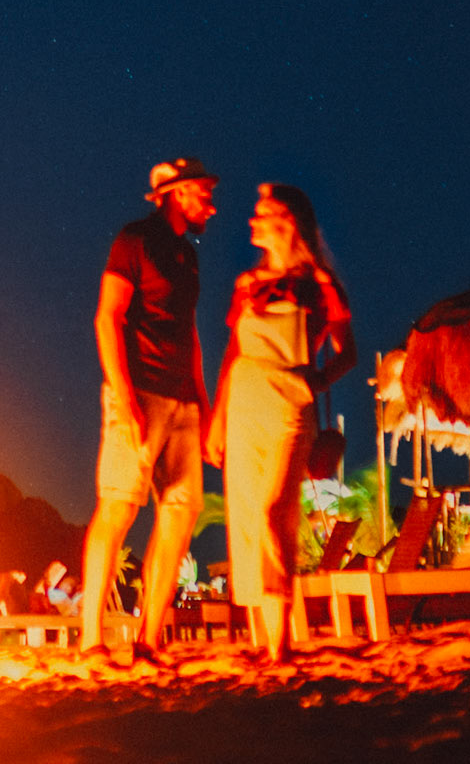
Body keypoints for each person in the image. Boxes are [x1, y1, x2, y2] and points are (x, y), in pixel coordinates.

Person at [204, 182, 356, 662]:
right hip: (245, 398)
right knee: (248, 516)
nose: (251, 220)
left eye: (262, 212)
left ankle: (281, 641)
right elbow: (233, 354)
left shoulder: (319, 283)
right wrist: (216, 418)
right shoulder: (246, 284)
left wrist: (314, 381)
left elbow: (347, 353)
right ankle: (270, 642)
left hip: (290, 401)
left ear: (287, 223)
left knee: (274, 511)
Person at [79, 156, 218, 660]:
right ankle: (92, 639)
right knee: (118, 507)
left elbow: (190, 330)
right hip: (139, 392)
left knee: (182, 512)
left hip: (183, 400)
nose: (212, 202)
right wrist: (125, 396)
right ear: (177, 193)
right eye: (203, 191)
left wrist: (203, 403)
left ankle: (149, 637)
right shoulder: (134, 240)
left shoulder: (188, 255)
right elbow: (107, 317)